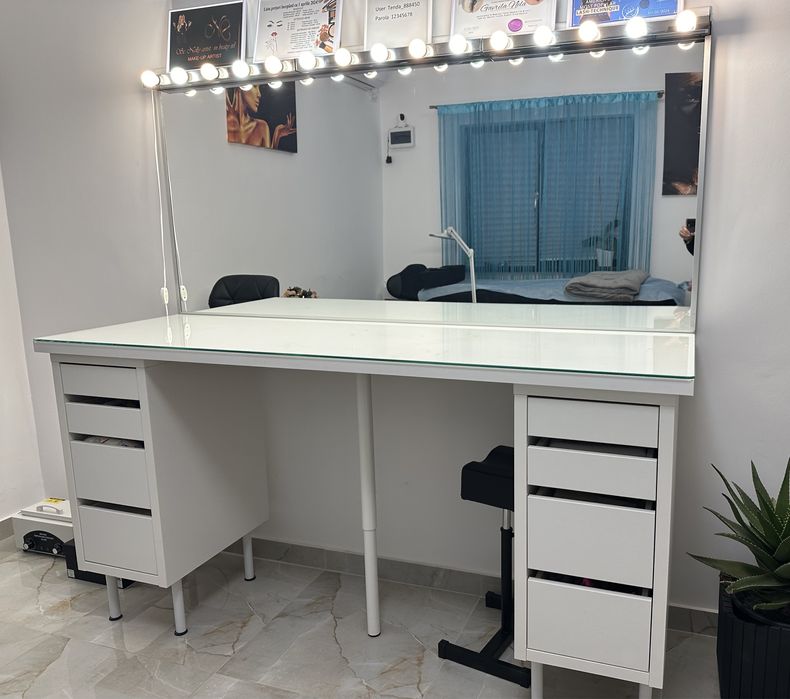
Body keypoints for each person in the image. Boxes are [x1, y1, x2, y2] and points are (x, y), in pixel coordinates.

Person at [226, 85, 295, 149]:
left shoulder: (261, 126)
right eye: (255, 86)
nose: (259, 94)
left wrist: (277, 134)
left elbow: (268, 157)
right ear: (242, 87)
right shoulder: (224, 123)